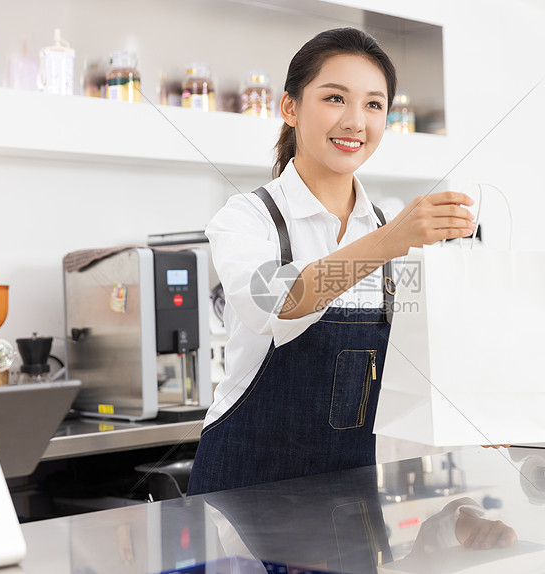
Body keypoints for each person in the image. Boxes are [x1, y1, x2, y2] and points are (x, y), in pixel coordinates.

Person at [187, 27, 476, 496]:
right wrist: (391, 240)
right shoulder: (248, 218)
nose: (355, 121)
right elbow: (279, 299)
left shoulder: (390, 227)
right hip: (244, 487)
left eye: (373, 104)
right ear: (290, 108)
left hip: (354, 491)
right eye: (335, 98)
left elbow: (416, 366)